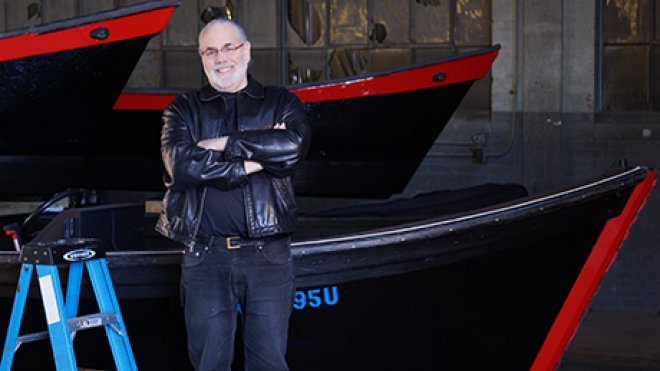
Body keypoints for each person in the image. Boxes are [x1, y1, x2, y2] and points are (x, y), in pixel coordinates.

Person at [156, 17, 310, 371]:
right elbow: (180, 165)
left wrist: (223, 144)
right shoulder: (182, 109)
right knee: (210, 363)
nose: (221, 57)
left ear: (247, 51)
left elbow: (292, 147)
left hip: (268, 254)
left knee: (269, 362)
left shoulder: (280, 101)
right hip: (205, 256)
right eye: (210, 50)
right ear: (201, 57)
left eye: (229, 47)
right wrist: (253, 162)